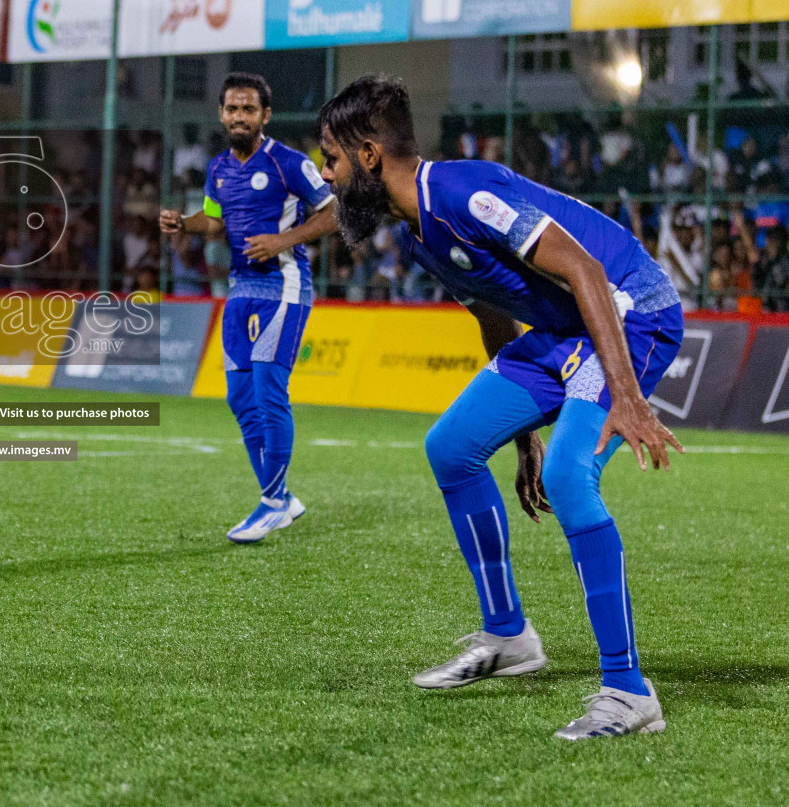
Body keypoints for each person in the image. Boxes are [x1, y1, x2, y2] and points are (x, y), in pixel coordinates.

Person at [317, 75, 684, 741]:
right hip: (562, 331)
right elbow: (491, 306)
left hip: (629, 313)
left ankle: (630, 693)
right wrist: (522, 438)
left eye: (331, 158)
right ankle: (509, 634)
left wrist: (626, 398)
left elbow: (587, 270)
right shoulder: (417, 226)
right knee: (451, 448)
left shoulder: (463, 194)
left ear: (369, 155)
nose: (325, 174)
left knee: (572, 479)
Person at [159, 72, 338, 543]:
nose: (240, 117)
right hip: (239, 291)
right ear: (221, 114)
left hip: (284, 286)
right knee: (239, 397)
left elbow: (334, 211)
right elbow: (215, 223)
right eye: (233, 109)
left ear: (265, 116)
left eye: (249, 109)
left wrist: (284, 239)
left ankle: (273, 502)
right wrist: (183, 223)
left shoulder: (290, 164)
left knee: (267, 387)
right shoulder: (219, 168)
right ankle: (281, 497)